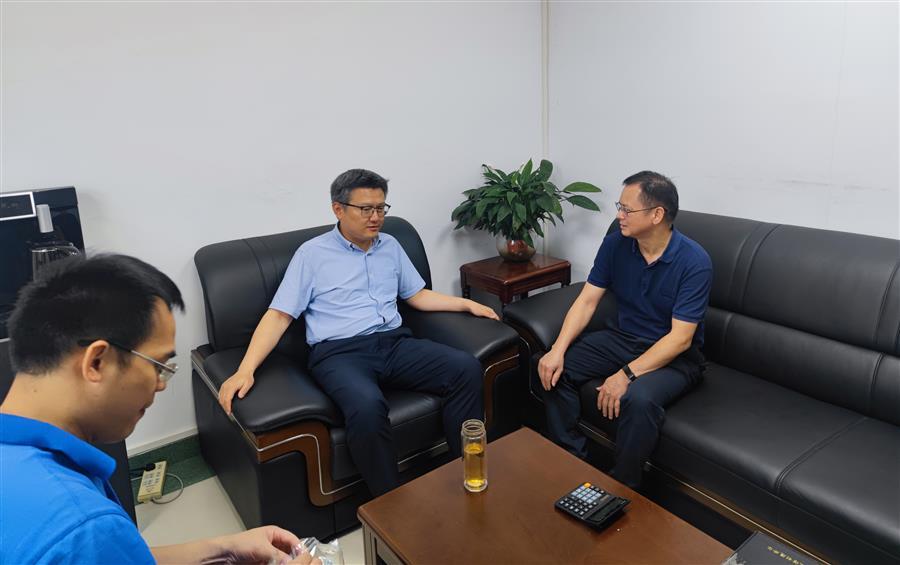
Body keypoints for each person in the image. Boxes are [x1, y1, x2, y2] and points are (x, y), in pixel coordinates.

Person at [0, 254, 318, 565]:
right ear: (97, 362)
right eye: (158, 366)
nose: (160, 385)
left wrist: (223, 549)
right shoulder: (84, 529)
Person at [218, 168, 499, 496]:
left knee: (465, 368)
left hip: (394, 343)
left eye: (381, 208)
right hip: (339, 354)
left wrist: (466, 304)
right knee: (367, 406)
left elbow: (416, 295)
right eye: (366, 209)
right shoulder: (312, 254)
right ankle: (390, 503)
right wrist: (245, 369)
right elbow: (279, 316)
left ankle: (463, 471)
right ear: (338, 209)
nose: (375, 217)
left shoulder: (390, 245)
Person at [537, 171, 712, 489]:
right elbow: (587, 301)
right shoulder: (616, 244)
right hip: (621, 339)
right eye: (619, 207)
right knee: (552, 369)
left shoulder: (694, 261)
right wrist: (557, 350)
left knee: (639, 400)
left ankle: (621, 488)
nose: (619, 215)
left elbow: (680, 338)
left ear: (657, 215)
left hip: (674, 358)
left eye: (627, 209)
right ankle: (572, 463)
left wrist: (626, 375)